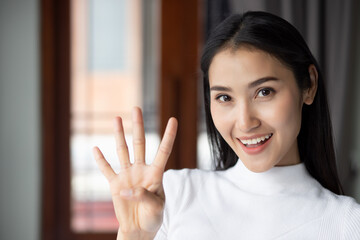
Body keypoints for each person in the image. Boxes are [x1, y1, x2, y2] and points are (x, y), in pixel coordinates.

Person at [93, 11, 360, 240]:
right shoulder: (173, 195)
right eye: (224, 97)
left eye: (264, 92)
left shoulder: (345, 223)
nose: (245, 122)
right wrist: (134, 236)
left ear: (308, 85)